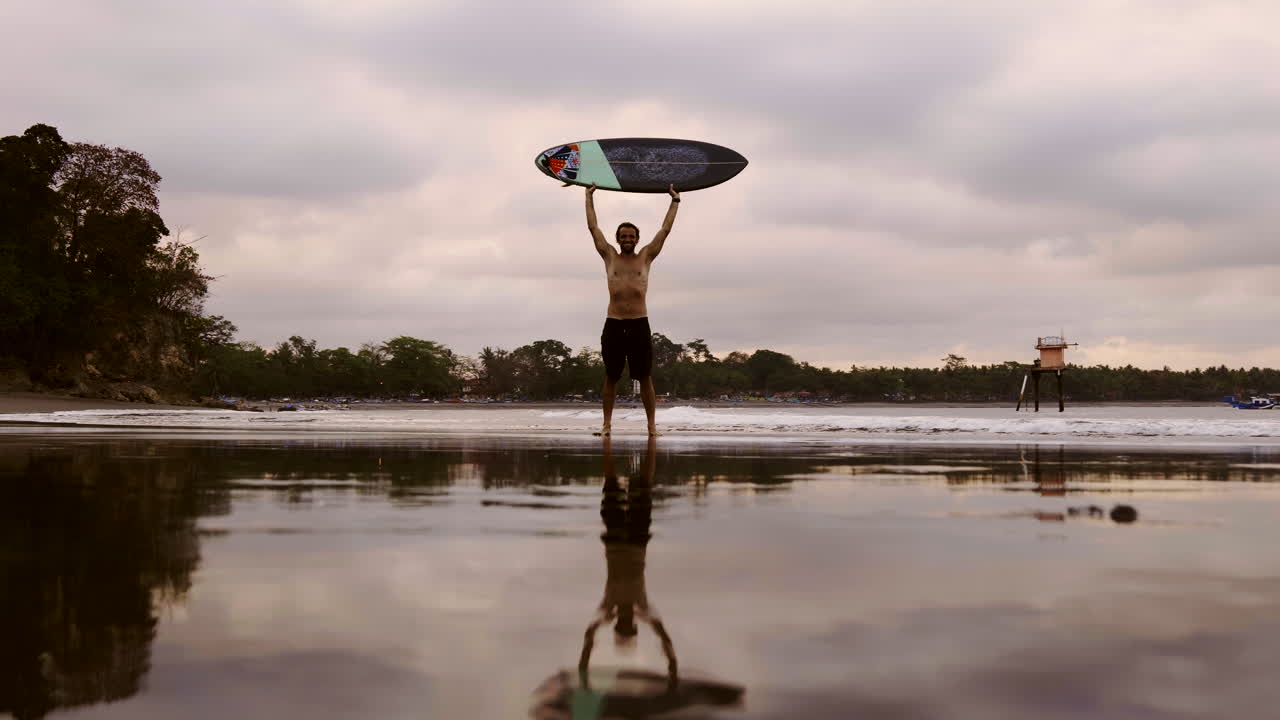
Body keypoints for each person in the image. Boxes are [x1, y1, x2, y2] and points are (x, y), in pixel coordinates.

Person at [585, 183, 680, 437]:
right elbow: (593, 228)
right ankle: (606, 425)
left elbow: (665, 230)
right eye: (623, 236)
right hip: (614, 323)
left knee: (645, 376)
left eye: (631, 236)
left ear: (637, 239)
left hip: (639, 323)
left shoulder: (646, 256)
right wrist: (589, 196)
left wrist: (675, 201)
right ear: (618, 239)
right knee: (611, 376)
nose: (627, 239)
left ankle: (651, 427)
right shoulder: (609, 256)